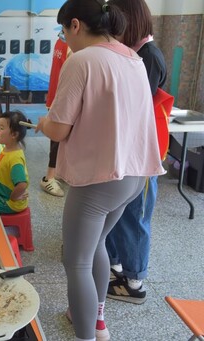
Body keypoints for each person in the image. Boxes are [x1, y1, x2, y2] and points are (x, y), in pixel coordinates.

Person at [35, 1, 165, 340]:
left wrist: (43, 123)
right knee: (97, 245)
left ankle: (87, 335)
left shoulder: (82, 60)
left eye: (64, 32)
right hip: (134, 176)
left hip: (99, 181)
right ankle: (96, 321)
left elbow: (60, 129)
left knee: (76, 261)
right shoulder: (132, 58)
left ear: (75, 25)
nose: (65, 40)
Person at [105, 0, 168, 305]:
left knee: (136, 216)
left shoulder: (148, 57)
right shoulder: (136, 54)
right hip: (128, 152)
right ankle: (120, 266)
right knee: (122, 214)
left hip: (141, 155)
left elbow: (135, 109)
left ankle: (135, 282)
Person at [40, 37, 71, 198]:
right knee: (57, 138)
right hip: (61, 99)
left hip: (57, 97)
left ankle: (57, 172)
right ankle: (49, 177)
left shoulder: (62, 38)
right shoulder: (69, 41)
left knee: (61, 139)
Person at [0, 111, 29, 214]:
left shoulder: (15, 158)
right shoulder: (7, 149)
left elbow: (22, 184)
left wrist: (14, 197)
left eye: (1, 128)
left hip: (10, 203)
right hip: (2, 193)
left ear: (14, 134)